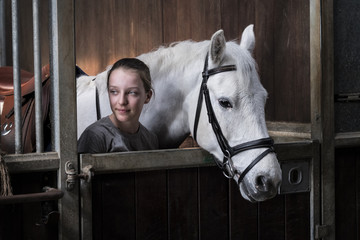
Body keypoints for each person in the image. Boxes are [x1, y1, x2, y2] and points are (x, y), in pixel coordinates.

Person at [78, 58, 159, 153]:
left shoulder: (151, 139)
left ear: (147, 96)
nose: (121, 101)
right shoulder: (94, 136)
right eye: (114, 91)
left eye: (132, 92)